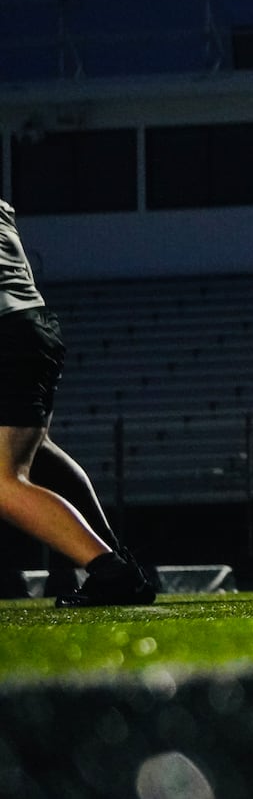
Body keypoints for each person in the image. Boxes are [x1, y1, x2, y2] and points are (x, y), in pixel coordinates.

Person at [0, 198, 156, 607]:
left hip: (6, 334)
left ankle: (109, 569)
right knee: (40, 456)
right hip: (32, 324)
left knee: (2, 480)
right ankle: (119, 565)